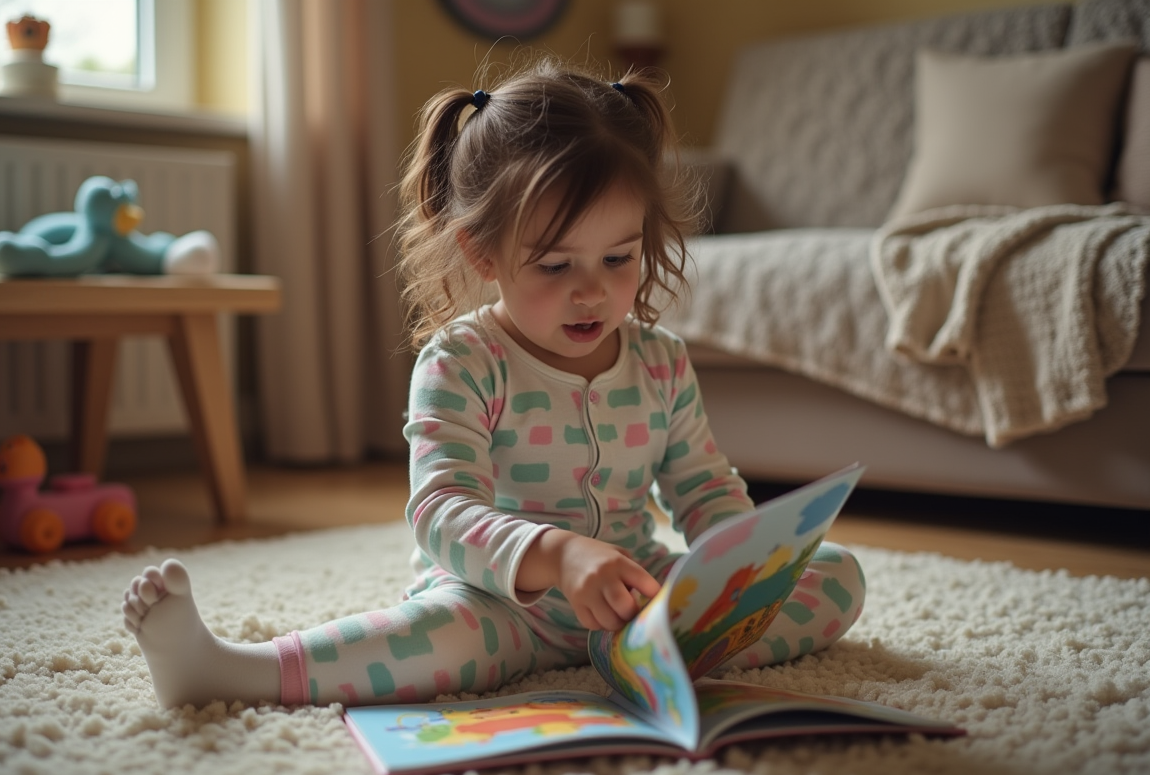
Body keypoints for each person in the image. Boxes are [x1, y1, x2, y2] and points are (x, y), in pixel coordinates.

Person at [121, 58, 866, 709]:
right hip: (500, 604)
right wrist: (559, 556)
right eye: (555, 265)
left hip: (633, 597)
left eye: (618, 259)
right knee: (435, 640)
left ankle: (647, 649)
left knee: (837, 580)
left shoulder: (661, 361)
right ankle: (230, 670)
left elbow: (703, 490)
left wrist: (741, 571)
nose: (592, 292)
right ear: (482, 253)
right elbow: (441, 511)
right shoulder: (461, 361)